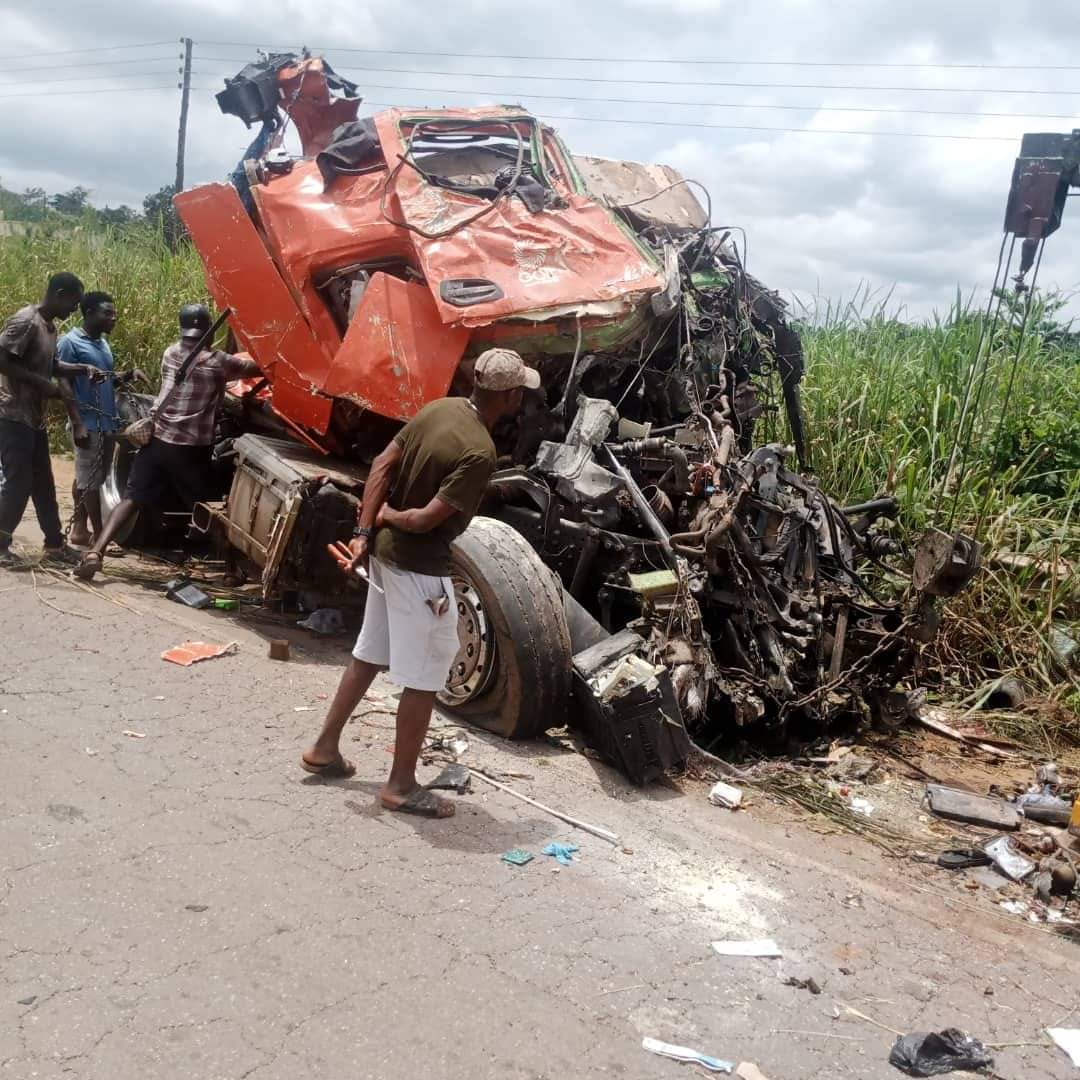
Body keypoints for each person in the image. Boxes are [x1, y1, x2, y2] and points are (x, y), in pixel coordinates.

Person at [301, 347, 540, 819]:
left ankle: (324, 748)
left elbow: (380, 466)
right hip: (421, 571)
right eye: (520, 394)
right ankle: (400, 785)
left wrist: (364, 532)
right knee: (427, 677)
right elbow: (426, 520)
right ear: (510, 396)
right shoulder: (479, 452)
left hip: (387, 559)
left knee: (369, 654)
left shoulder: (439, 408)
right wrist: (387, 516)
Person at [75, 303, 261, 580]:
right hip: (190, 450)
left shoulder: (170, 353)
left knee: (131, 499)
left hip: (157, 441)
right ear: (208, 332)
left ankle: (96, 552)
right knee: (207, 508)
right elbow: (252, 368)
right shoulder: (219, 362)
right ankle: (232, 571)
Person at [0, 272, 97, 568]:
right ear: (59, 293)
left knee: (44, 482)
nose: (74, 309)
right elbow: (1, 359)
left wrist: (82, 369)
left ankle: (54, 545)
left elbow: (51, 365)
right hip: (11, 414)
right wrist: (42, 385)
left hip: (32, 417)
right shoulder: (26, 321)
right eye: (73, 302)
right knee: (19, 482)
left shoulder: (49, 328)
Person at [58, 292, 147, 547]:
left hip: (105, 425)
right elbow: (63, 383)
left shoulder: (102, 344)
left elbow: (105, 379)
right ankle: (99, 536)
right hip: (86, 423)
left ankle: (79, 530)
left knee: (89, 479)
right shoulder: (70, 343)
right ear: (88, 314)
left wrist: (128, 375)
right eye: (107, 313)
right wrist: (77, 424)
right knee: (90, 482)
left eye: (114, 313)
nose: (113, 318)